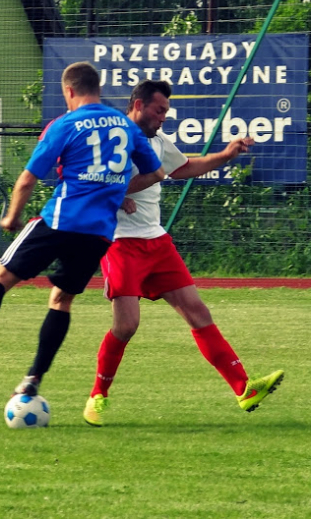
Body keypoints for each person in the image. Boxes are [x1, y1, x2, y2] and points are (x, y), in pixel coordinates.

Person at [0, 62, 164, 397]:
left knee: (0, 278)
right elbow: (156, 174)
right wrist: (113, 191)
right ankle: (33, 378)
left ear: (69, 91)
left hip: (59, 221)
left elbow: (27, 180)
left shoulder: (65, 124)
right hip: (98, 233)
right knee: (62, 300)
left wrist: (11, 217)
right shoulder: (126, 125)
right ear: (97, 89)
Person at [82, 79, 284, 427]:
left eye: (166, 112)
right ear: (138, 105)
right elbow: (86, 182)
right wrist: (116, 195)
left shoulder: (158, 142)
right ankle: (98, 396)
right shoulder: (112, 137)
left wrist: (226, 155)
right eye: (159, 110)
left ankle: (244, 389)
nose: (163, 117)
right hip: (120, 242)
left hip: (156, 241)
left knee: (197, 312)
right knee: (126, 326)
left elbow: (184, 167)